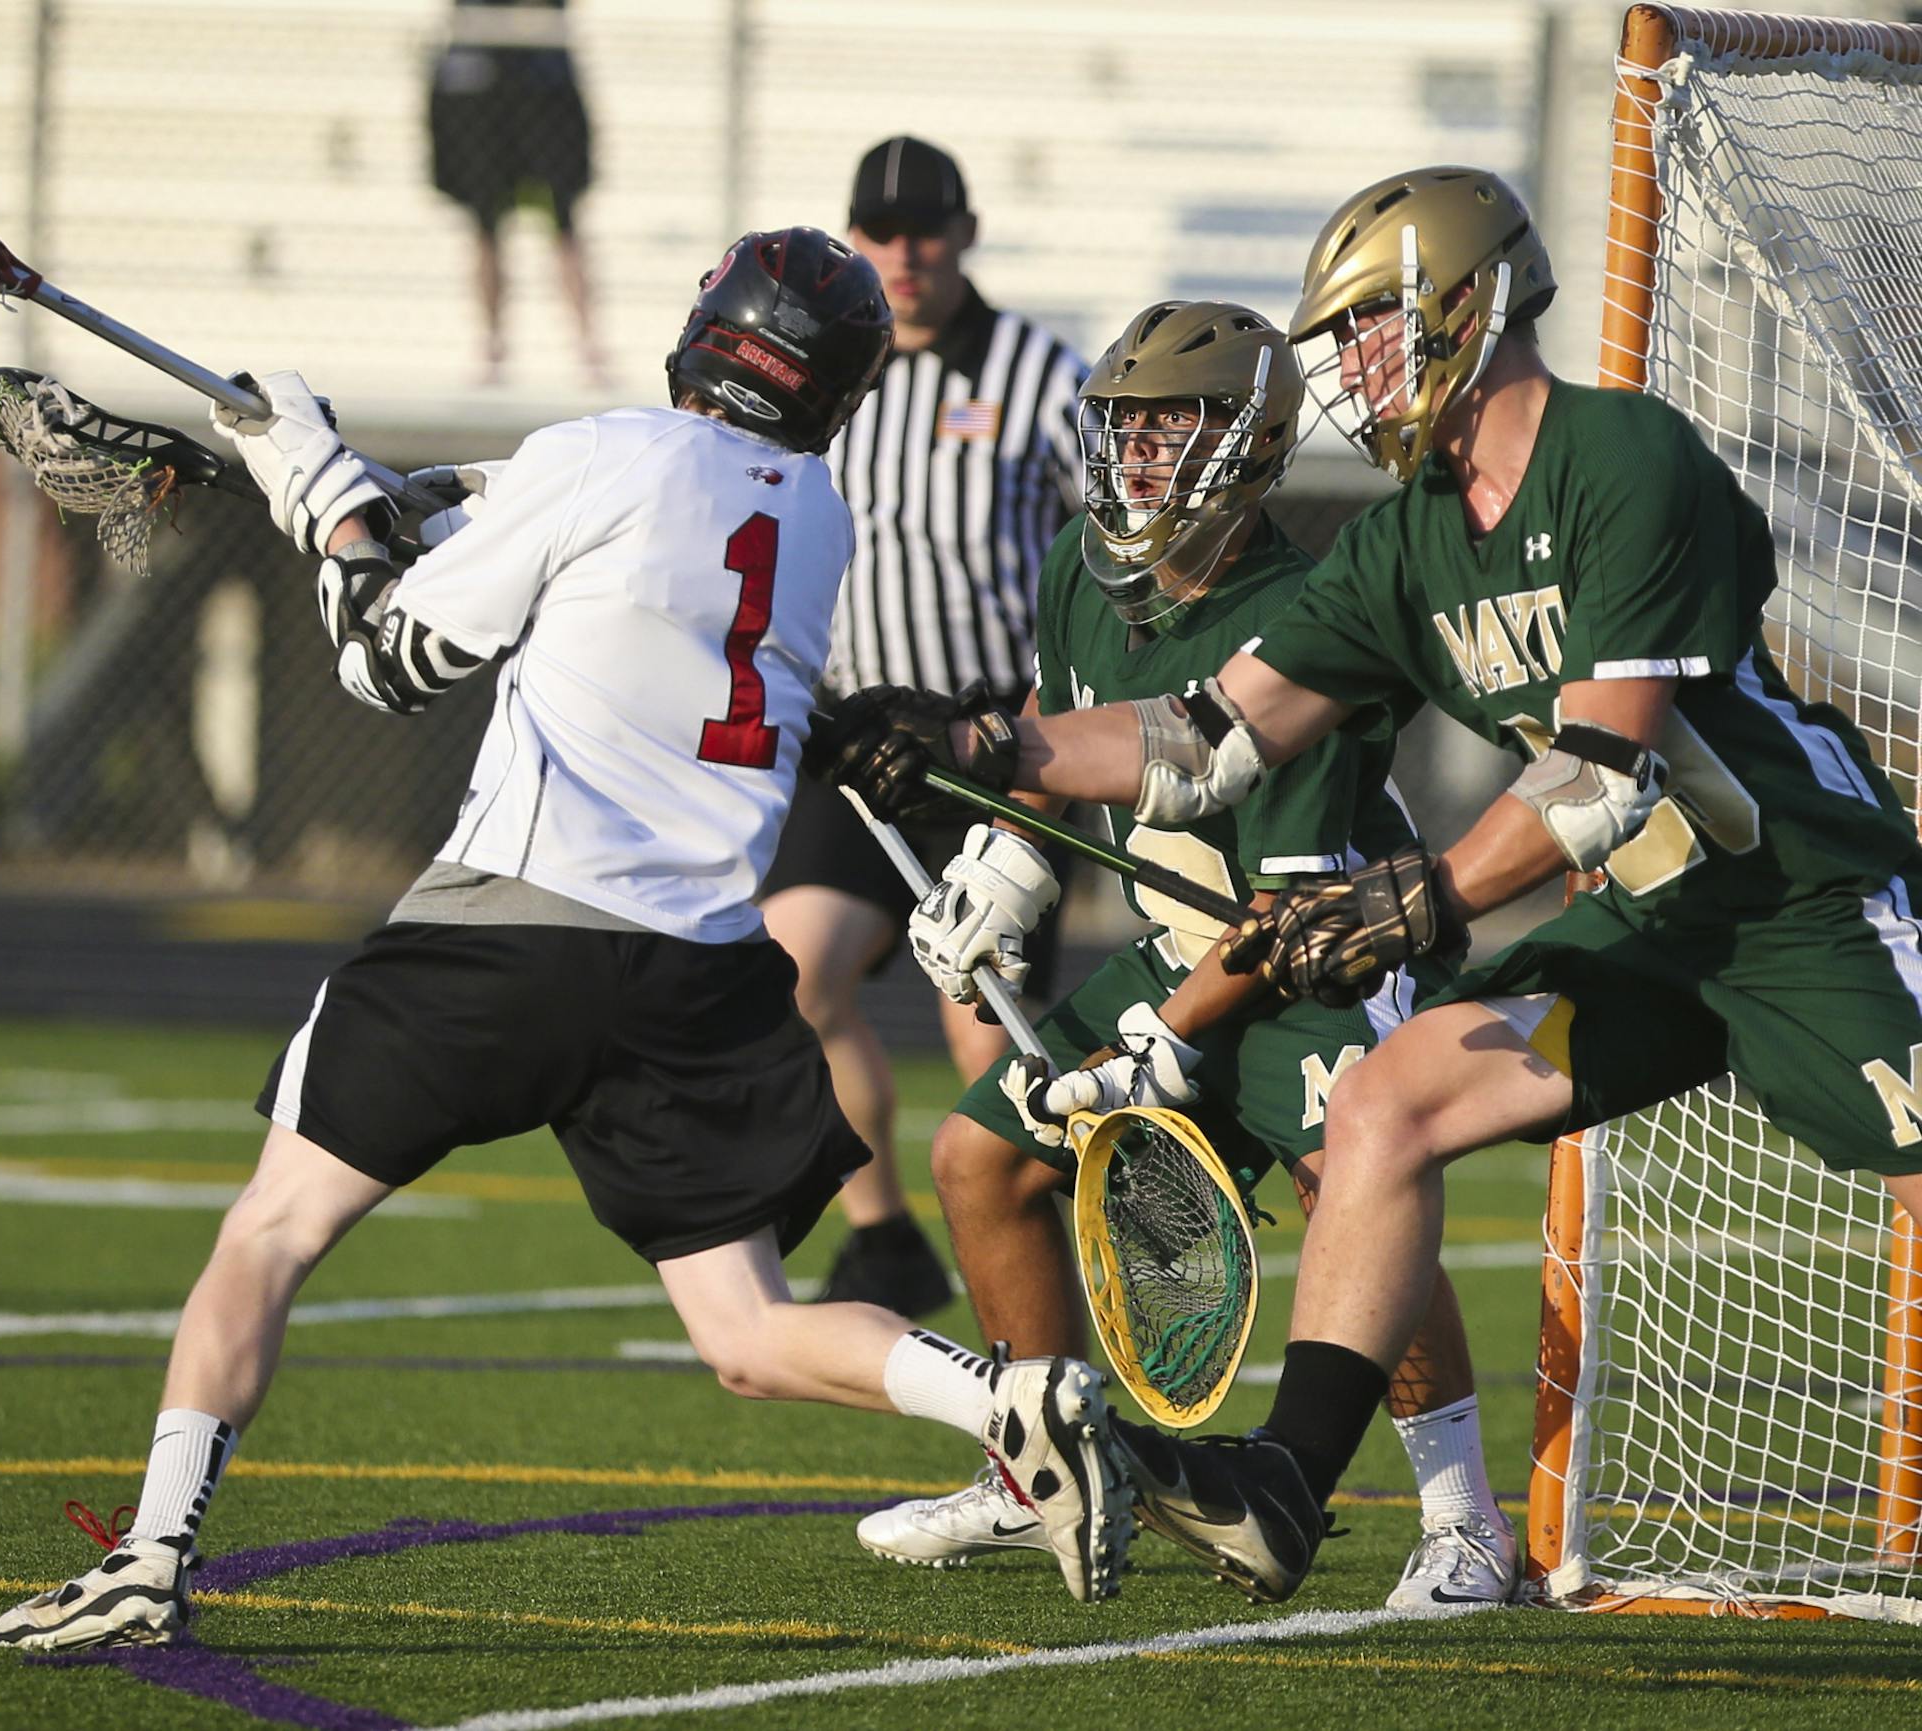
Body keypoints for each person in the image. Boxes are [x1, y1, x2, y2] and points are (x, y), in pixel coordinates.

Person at [0, 227, 1139, 1654]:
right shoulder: (817, 513)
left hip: (509, 932)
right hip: (701, 969)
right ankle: (1007, 1400)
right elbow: (600, 536)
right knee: (747, 1331)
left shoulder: (599, 454)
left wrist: (325, 499)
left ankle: (153, 1550)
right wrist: (406, 491)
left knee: (271, 1228)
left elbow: (385, 660)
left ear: (709, 332)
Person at [815, 165, 1922, 1605]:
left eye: (1368, 330)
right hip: (1654, 927)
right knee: (1390, 1099)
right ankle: (1288, 1480)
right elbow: (1203, 736)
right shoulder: (1405, 540)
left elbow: (1602, 771)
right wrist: (981, 739)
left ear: (1468, 304)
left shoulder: (1622, 457)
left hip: (1803, 904)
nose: (1349, 370)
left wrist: (1431, 897)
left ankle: (1434, 1504)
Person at [846, 300, 1516, 1610]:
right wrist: (1002, 867)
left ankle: (1464, 1518)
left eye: (1172, 422)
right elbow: (1056, 734)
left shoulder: (1310, 616)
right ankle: (1039, 1470)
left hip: (1316, 957)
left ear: (1252, 442)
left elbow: (1283, 915)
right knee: (975, 1153)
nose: (1139, 450)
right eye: (1122, 424)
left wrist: (1152, 1045)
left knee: (1356, 1178)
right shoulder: (1073, 568)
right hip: (1181, 939)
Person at [761, 136, 1089, 1317]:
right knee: (796, 975)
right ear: (855, 241)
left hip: (990, 746)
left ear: (965, 232)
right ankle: (885, 1233)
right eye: (881, 232)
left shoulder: (1042, 375)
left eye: (926, 229)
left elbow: (1111, 543)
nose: (905, 253)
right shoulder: (829, 370)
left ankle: (1039, 1265)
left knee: (983, 1027)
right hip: (855, 744)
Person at [427, 0, 606, 384]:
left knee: (563, 220)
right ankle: (492, 348)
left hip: (544, 77)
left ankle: (589, 347)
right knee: (485, 221)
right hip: (480, 78)